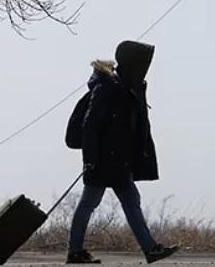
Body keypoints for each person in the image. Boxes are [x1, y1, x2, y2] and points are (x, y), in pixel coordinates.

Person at [67, 40, 179, 264]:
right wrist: (91, 160)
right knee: (90, 203)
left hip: (118, 161)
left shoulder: (127, 87)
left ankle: (150, 249)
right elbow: (91, 125)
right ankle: (75, 252)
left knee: (127, 201)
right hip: (103, 161)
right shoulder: (109, 87)